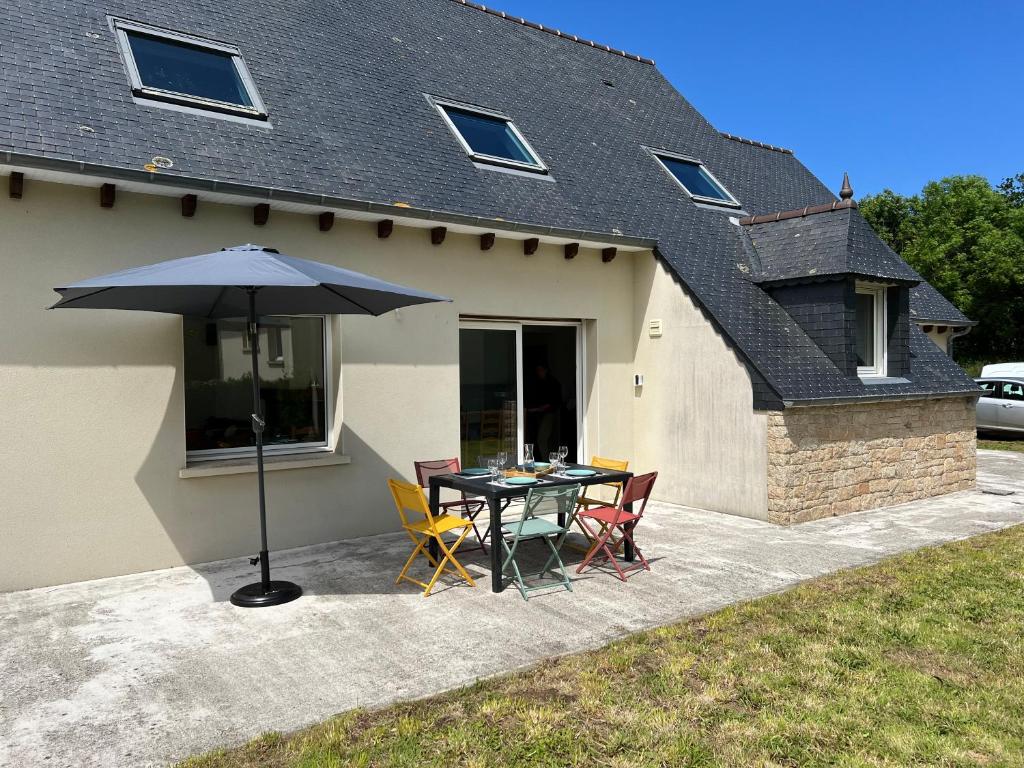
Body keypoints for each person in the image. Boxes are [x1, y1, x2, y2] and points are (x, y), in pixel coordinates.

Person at [525, 362, 561, 458]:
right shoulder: (540, 382)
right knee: (546, 439)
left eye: (540, 370)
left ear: (546, 370)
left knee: (543, 439)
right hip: (542, 414)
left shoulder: (552, 383)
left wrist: (538, 409)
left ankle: (547, 461)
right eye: (537, 370)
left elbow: (554, 401)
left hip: (550, 414)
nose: (538, 372)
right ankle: (549, 460)